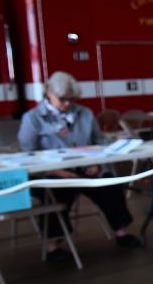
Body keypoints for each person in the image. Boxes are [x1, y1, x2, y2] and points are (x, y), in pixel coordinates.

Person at [17, 71, 141, 262]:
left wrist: (96, 164)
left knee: (110, 184)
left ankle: (121, 232)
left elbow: (99, 142)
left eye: (72, 99)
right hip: (52, 172)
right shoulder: (33, 118)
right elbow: (28, 154)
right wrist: (58, 172)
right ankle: (53, 245)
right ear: (48, 92)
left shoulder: (85, 113)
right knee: (56, 193)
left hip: (85, 168)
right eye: (63, 99)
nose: (68, 104)